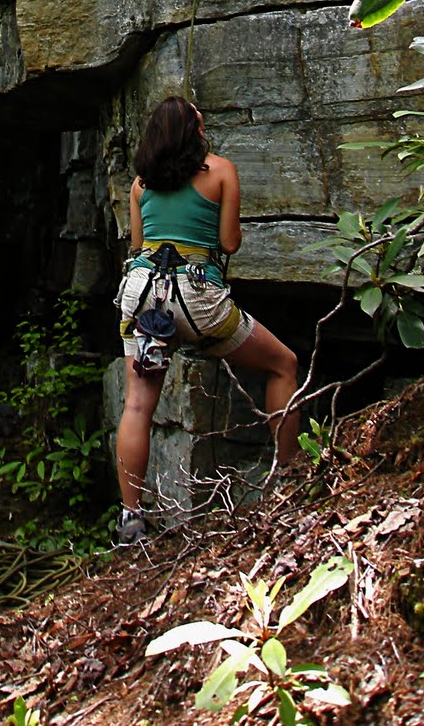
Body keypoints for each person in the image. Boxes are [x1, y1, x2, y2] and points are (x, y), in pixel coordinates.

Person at [114, 95, 299, 545]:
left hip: (141, 295)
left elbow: (138, 246)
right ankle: (293, 483)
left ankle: (130, 519)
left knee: (138, 405)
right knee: (283, 364)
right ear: (194, 132)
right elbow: (229, 242)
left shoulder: (141, 184)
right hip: (195, 293)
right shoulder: (221, 171)